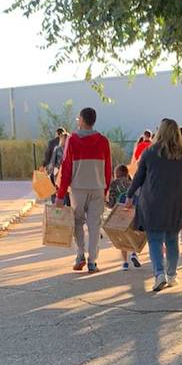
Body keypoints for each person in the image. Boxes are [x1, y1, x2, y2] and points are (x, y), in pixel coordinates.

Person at [125, 118, 182, 292]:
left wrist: (129, 196)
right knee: (173, 240)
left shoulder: (150, 152)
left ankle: (159, 274)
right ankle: (172, 275)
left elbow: (138, 177)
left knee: (155, 240)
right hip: (176, 204)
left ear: (160, 132)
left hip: (152, 203)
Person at [56, 107, 112, 273]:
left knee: (77, 221)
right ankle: (92, 261)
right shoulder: (103, 141)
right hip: (97, 188)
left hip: (78, 188)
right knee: (95, 225)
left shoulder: (72, 140)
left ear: (81, 120)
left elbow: (66, 168)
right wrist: (106, 189)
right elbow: (108, 169)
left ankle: (80, 254)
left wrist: (60, 195)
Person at [107, 163, 142, 271]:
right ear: (127, 174)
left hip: (120, 214)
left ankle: (125, 263)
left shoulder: (113, 185)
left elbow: (112, 204)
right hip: (133, 213)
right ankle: (134, 254)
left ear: (116, 174)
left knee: (122, 238)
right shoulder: (132, 183)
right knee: (132, 233)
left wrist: (106, 203)